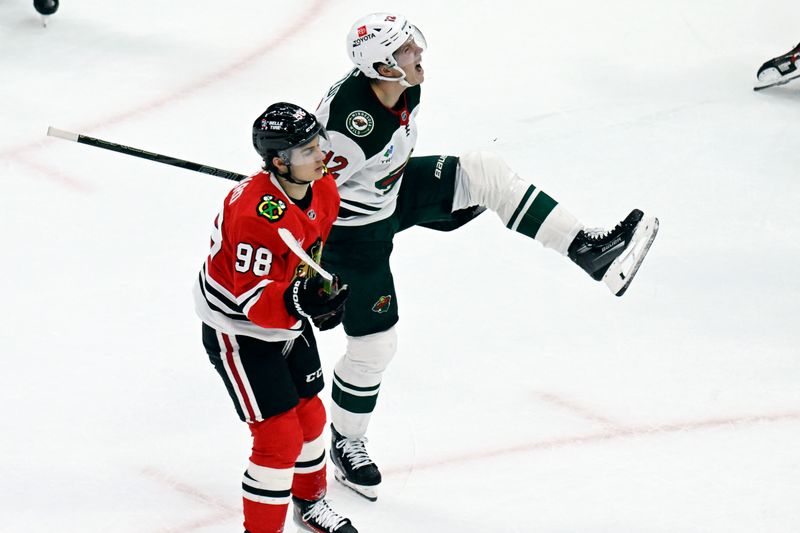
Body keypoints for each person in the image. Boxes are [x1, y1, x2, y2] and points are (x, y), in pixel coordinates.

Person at [315, 13, 660, 501]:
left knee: (484, 172)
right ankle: (348, 443)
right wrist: (310, 265)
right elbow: (305, 197)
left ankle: (590, 250)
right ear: (383, 66)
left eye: (413, 44)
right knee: (374, 348)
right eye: (406, 51)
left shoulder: (403, 89)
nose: (418, 54)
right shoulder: (350, 129)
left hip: (392, 193)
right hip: (352, 239)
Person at [194, 102, 358, 533]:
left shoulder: (323, 190)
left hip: (284, 317)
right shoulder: (253, 217)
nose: (321, 155)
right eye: (307, 150)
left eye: (317, 143)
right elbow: (254, 303)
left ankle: (310, 503)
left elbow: (305, 257)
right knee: (278, 439)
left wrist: (318, 293)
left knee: (312, 418)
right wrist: (301, 302)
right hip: (238, 330)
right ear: (278, 161)